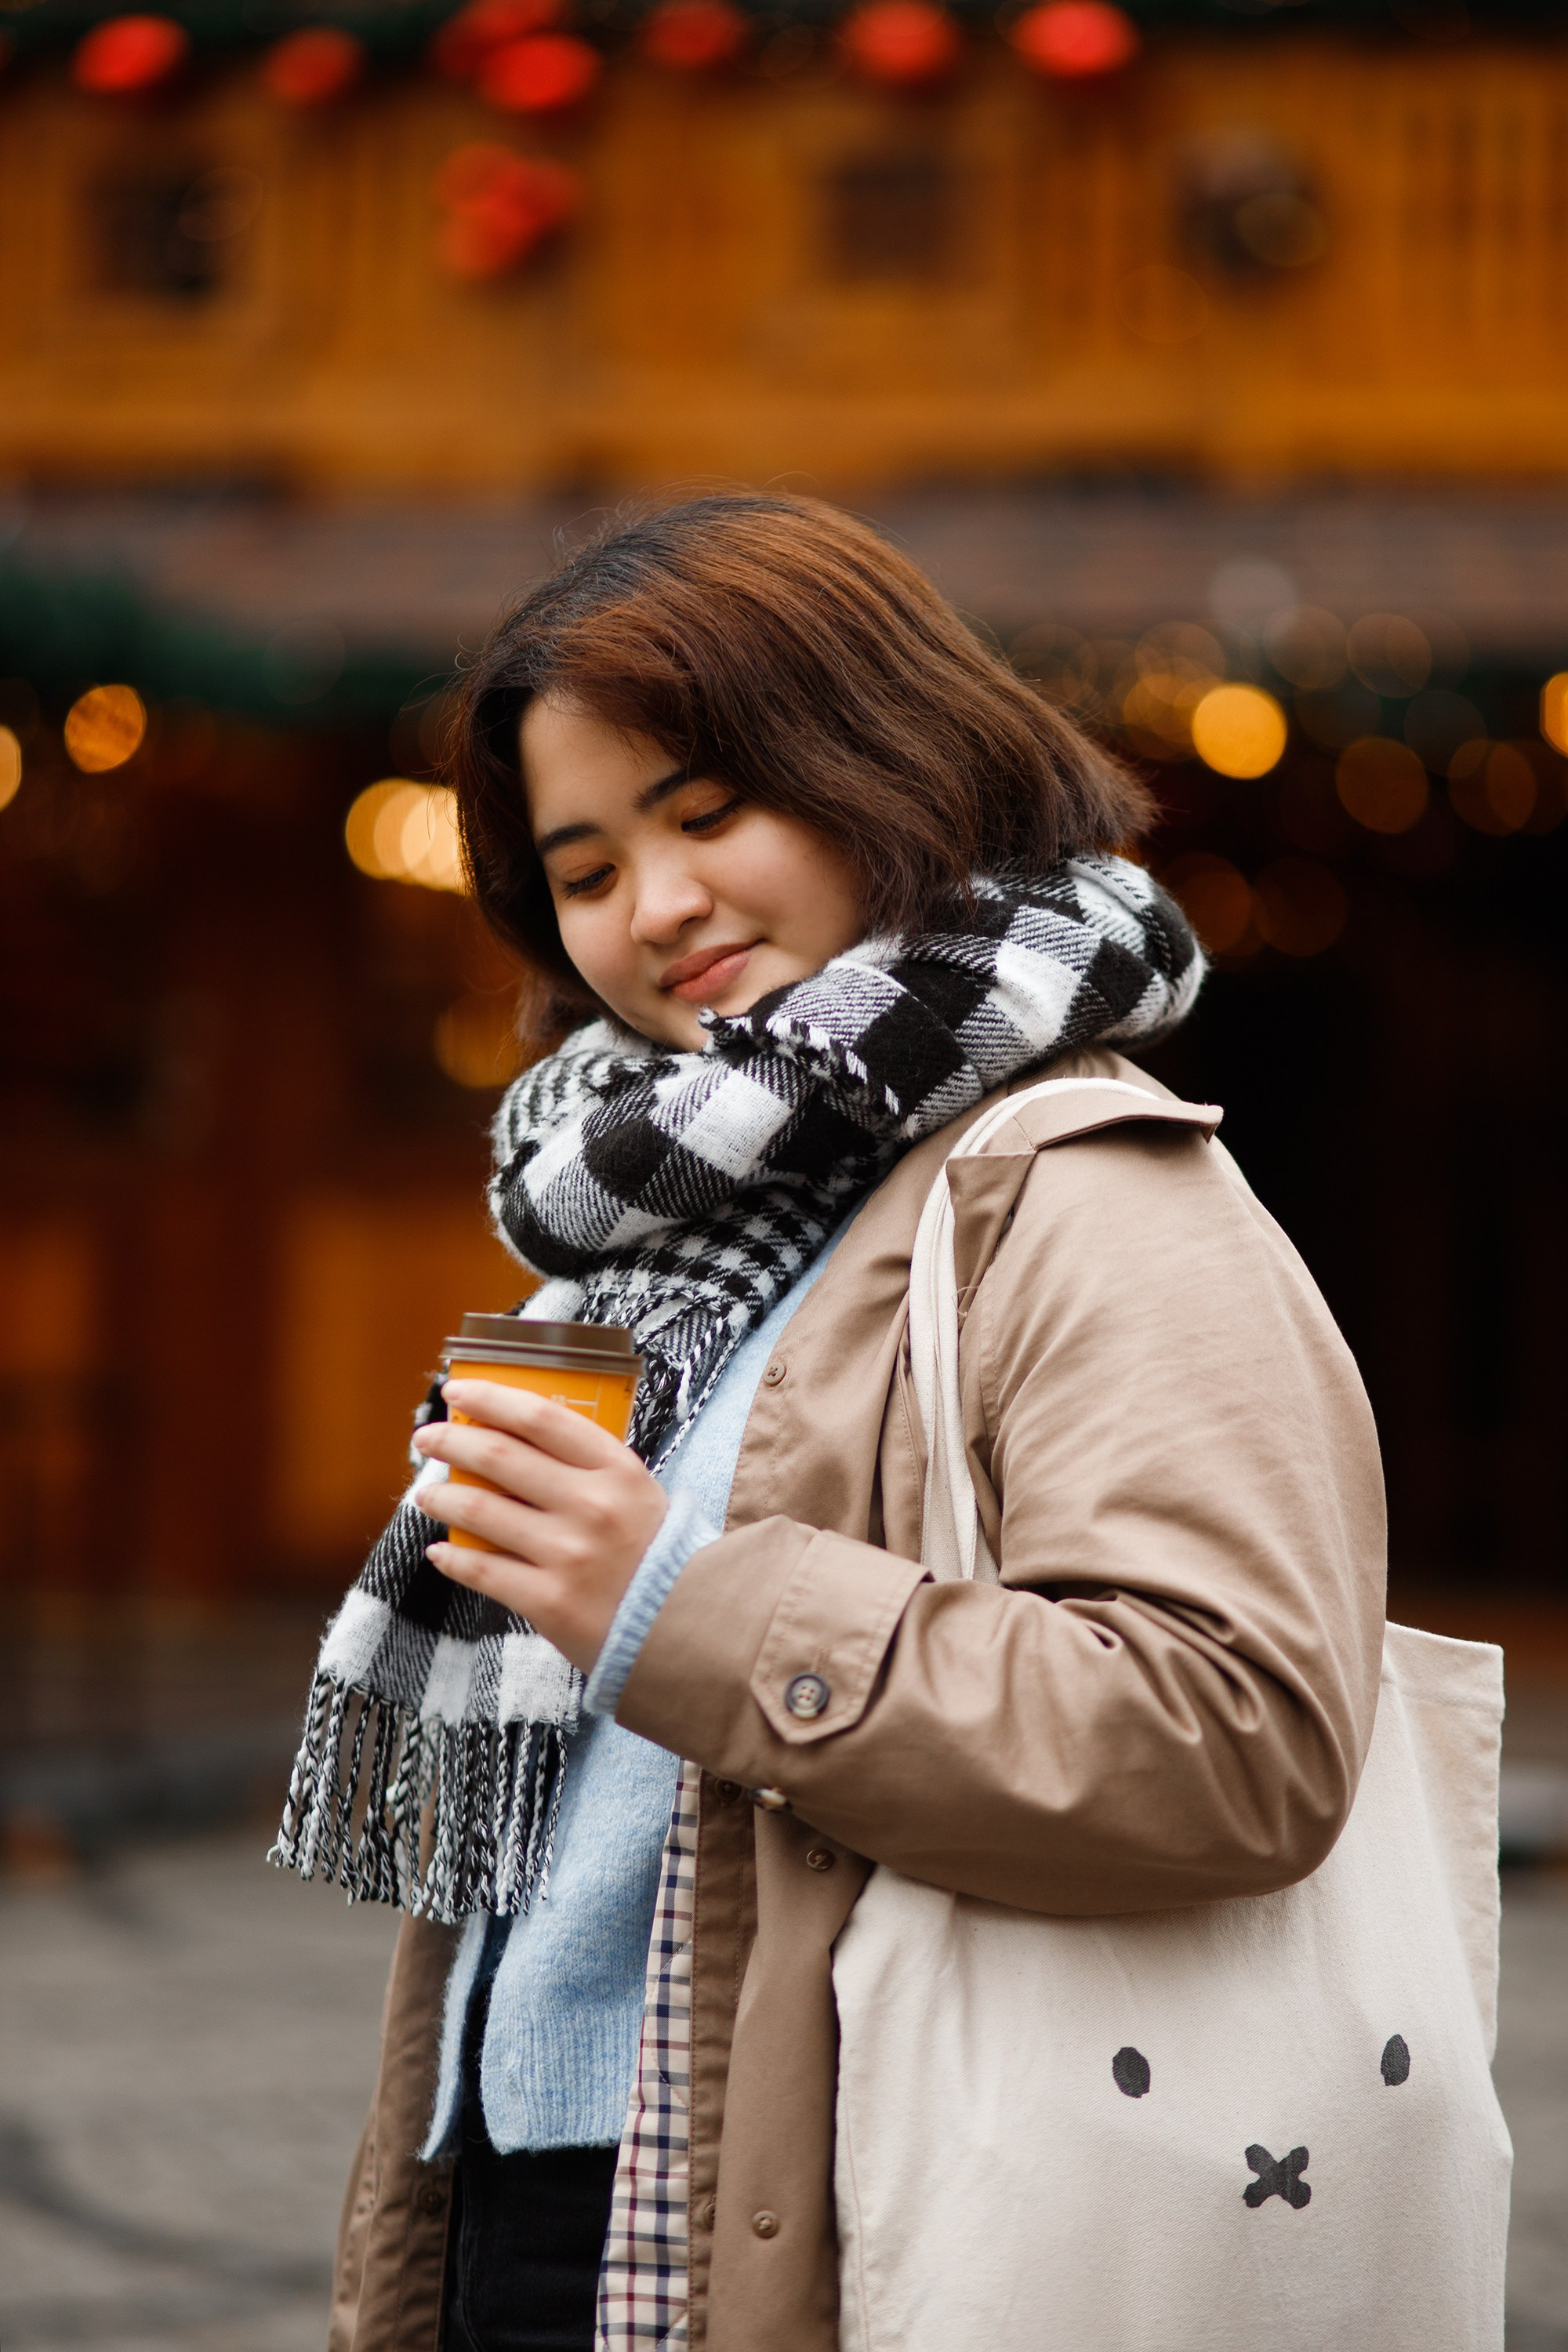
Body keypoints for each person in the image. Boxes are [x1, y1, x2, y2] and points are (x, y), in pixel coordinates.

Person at [277, 492, 1384, 2352]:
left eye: (710, 814)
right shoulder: (634, 1231)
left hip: (834, 2196)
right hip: (517, 2190)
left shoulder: (1085, 1190)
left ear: (889, 764)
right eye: (586, 868)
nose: (657, 908)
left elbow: (1238, 1736)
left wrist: (671, 1602)